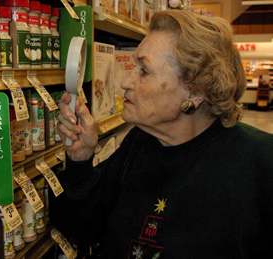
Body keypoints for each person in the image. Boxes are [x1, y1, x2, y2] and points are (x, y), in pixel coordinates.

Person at [51, 9, 273, 258]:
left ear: (195, 92)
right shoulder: (138, 143)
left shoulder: (260, 163)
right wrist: (80, 160)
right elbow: (84, 229)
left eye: (143, 71)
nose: (125, 82)